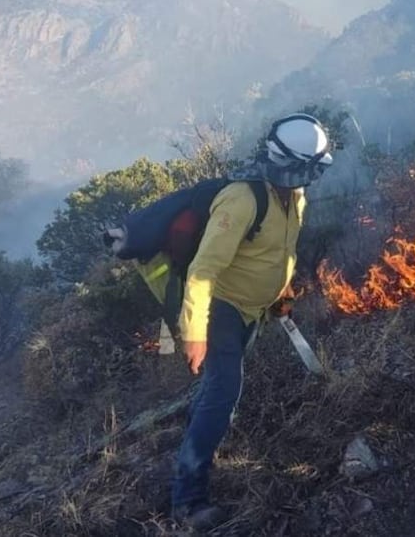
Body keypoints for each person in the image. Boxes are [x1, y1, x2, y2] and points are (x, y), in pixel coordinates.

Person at [170, 113, 332, 530]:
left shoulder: (294, 196)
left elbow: (281, 251)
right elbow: (204, 269)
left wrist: (281, 292)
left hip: (252, 309)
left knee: (216, 391)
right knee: (225, 390)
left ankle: (196, 436)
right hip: (220, 308)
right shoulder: (242, 199)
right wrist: (194, 332)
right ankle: (188, 500)